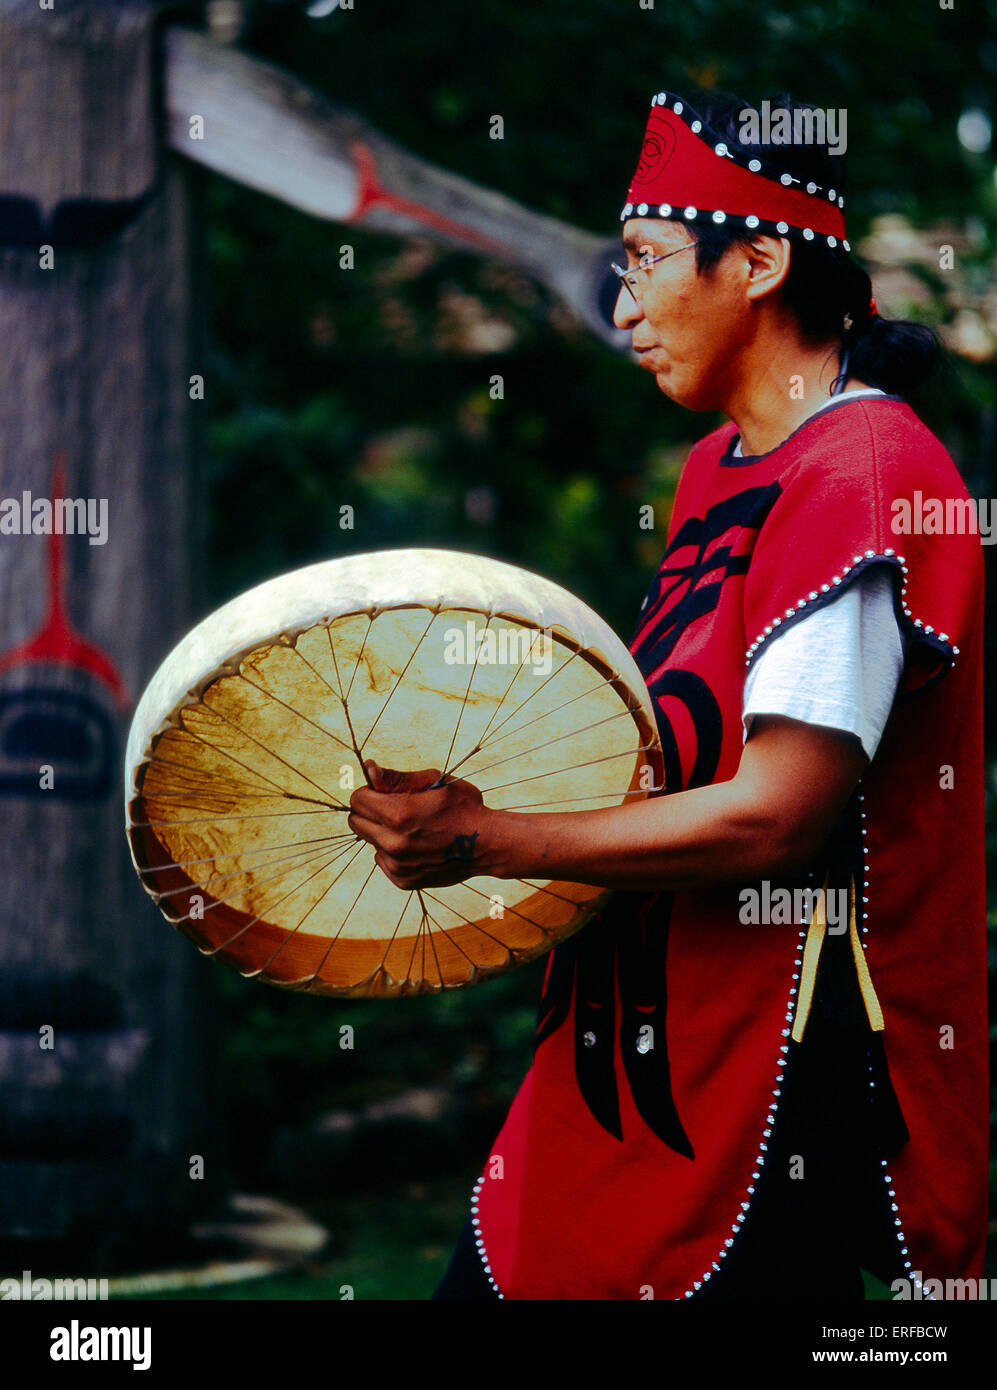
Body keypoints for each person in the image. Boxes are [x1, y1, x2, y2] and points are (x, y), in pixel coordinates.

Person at [348, 89, 987, 1301]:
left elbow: (773, 814)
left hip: (772, 1062)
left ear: (757, 261)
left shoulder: (865, 465)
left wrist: (485, 839)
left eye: (643, 263)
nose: (621, 305)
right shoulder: (717, 469)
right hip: (630, 1036)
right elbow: (667, 745)